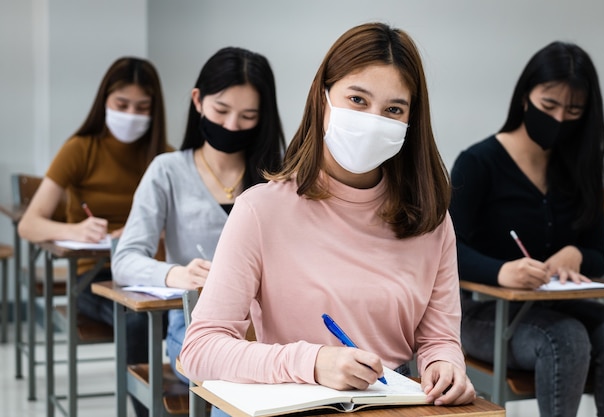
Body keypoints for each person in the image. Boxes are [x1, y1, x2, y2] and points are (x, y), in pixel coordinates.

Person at [180, 22, 475, 407]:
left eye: (393, 109)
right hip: (291, 403)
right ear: (323, 99)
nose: (374, 120)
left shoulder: (431, 219)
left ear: (410, 120)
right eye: (357, 100)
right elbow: (199, 351)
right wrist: (314, 361)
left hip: (393, 403)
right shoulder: (260, 209)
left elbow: (439, 341)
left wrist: (447, 366)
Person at [449, 41, 604, 417]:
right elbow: (445, 250)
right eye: (550, 106)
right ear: (525, 97)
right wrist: (501, 271)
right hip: (485, 313)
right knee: (565, 338)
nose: (560, 119)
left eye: (574, 111)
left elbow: (598, 258)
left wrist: (577, 254)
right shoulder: (478, 163)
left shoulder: (580, 169)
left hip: (559, 307)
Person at [111, 47, 286, 384]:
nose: (232, 125)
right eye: (221, 110)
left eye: (248, 116)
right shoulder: (167, 171)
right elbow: (125, 260)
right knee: (234, 377)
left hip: (275, 328)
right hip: (196, 325)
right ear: (198, 100)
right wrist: (177, 274)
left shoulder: (280, 175)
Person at [17, 56, 171, 417]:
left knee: (185, 317)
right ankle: (150, 411)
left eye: (142, 107)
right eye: (122, 105)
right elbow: (30, 224)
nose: (131, 114)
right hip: (94, 278)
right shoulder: (80, 149)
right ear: (105, 101)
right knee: (139, 320)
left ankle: (188, 404)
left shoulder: (163, 156)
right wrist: (76, 230)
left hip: (151, 277)